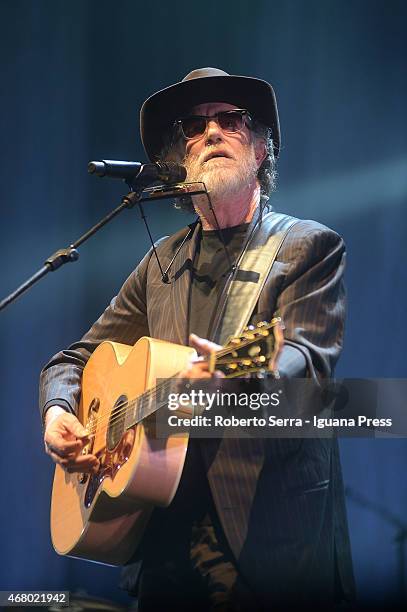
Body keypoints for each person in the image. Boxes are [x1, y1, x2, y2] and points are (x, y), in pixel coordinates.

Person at [40, 67, 356, 610]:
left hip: (264, 545)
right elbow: (73, 359)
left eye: (229, 120)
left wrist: (248, 373)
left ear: (261, 151)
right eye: (193, 125)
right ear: (180, 157)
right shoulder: (160, 261)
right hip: (159, 541)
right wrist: (58, 412)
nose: (210, 133)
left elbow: (305, 356)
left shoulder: (307, 246)